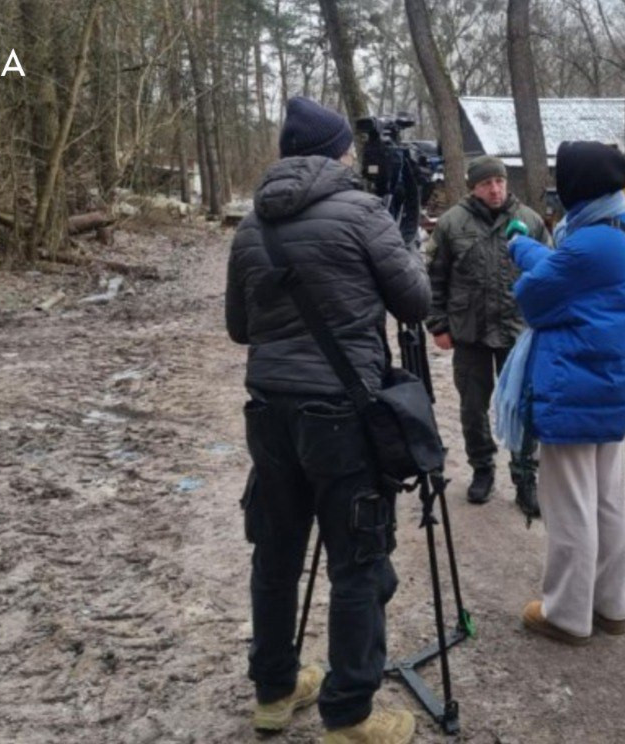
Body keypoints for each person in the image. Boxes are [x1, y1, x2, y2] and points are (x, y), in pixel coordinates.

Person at [226, 96, 429, 744]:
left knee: (276, 555)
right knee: (357, 562)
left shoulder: (250, 225)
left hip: (270, 413)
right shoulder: (364, 212)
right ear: (338, 152)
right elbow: (415, 301)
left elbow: (239, 327)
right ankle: (349, 716)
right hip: (341, 415)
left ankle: (275, 692)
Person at [504, 141, 625, 645]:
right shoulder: (619, 228)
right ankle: (613, 606)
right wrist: (524, 245)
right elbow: (561, 268)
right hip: (613, 390)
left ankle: (566, 614)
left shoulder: (587, 245)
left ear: (575, 189)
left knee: (570, 504)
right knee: (609, 498)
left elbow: (534, 298)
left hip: (578, 391)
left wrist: (518, 252)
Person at [426, 156, 550, 515]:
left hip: (517, 332)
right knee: (472, 408)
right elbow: (434, 277)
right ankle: (482, 469)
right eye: (485, 184)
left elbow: (550, 273)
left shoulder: (529, 222)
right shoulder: (451, 224)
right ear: (473, 188)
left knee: (522, 408)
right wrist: (439, 324)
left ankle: (525, 478)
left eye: (499, 181)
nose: (494, 190)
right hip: (470, 333)